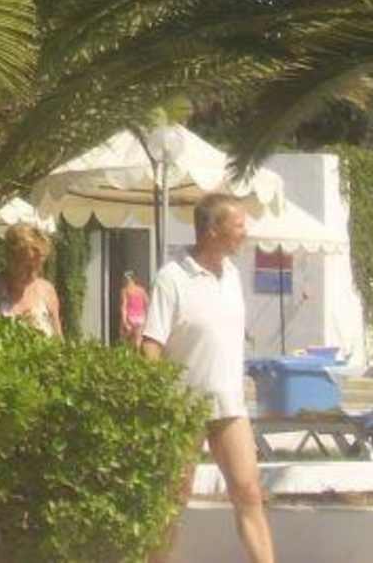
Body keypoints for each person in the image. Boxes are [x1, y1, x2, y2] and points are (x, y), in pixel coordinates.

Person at [141, 192, 274, 563]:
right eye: (238, 225)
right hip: (184, 409)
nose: (245, 232)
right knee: (173, 499)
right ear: (212, 230)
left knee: (249, 493)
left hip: (230, 406)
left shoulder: (232, 275)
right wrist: (158, 402)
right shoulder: (172, 278)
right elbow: (150, 344)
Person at [0, 223, 62, 337]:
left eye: (37, 267)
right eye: (26, 266)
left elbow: (58, 339)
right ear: (10, 259)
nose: (32, 274)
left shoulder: (47, 291)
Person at [120, 269, 150, 345]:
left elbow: (124, 306)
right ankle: (137, 352)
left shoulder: (125, 290)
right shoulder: (141, 290)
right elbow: (147, 304)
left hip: (130, 318)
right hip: (141, 318)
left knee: (125, 339)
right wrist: (147, 318)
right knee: (138, 340)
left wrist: (124, 321)